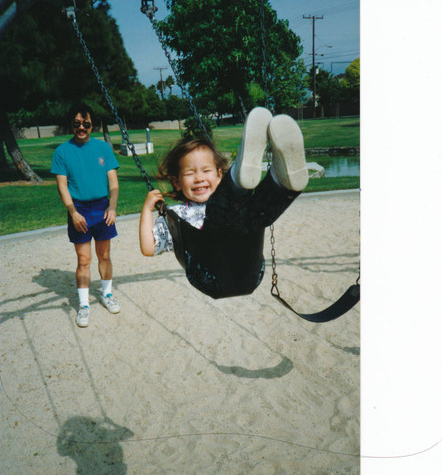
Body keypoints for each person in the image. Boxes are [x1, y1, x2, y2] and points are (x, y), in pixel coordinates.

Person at [139, 107, 309, 297]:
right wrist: (147, 209)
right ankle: (238, 181)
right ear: (177, 182)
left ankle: (282, 183)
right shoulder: (177, 215)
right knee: (221, 212)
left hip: (250, 269)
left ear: (219, 176)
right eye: (190, 173)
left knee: (254, 213)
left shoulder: (227, 201)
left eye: (206, 171)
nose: (199, 178)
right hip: (210, 276)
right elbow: (148, 248)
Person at [51, 103, 121, 327]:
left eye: (86, 123)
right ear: (71, 124)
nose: (82, 127)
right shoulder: (62, 152)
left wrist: (112, 207)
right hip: (79, 210)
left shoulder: (103, 149)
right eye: (77, 123)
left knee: (105, 256)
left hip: (102, 208)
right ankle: (83, 305)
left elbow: (114, 184)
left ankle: (107, 294)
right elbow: (62, 187)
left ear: (93, 125)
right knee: (84, 260)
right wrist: (73, 212)